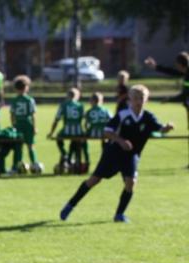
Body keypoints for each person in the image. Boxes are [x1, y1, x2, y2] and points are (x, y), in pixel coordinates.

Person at [60, 85, 174, 224]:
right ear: (130, 100)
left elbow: (160, 129)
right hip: (113, 153)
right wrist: (120, 141)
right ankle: (70, 205)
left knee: (131, 182)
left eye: (142, 98)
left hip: (131, 155)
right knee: (94, 180)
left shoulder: (148, 117)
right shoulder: (122, 115)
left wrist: (166, 128)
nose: (139, 101)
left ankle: (119, 214)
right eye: (136, 98)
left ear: (146, 100)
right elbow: (107, 131)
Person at [49, 87, 85, 173]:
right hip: (78, 131)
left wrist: (51, 132)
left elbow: (57, 119)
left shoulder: (63, 105)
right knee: (75, 143)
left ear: (68, 96)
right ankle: (73, 162)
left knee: (58, 139)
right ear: (77, 96)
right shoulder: (80, 105)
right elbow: (85, 119)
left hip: (66, 130)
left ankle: (64, 154)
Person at [8, 75, 38, 172]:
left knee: (18, 147)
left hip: (18, 125)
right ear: (26, 87)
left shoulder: (14, 100)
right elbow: (33, 115)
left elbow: (12, 115)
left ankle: (16, 166)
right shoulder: (30, 100)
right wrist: (35, 127)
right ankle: (35, 163)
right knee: (31, 146)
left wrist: (13, 125)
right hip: (28, 124)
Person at [83, 92, 111, 169]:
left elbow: (86, 124)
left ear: (92, 101)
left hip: (92, 133)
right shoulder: (106, 110)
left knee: (83, 141)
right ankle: (105, 161)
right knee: (106, 143)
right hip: (104, 133)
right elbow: (111, 121)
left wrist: (87, 130)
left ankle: (87, 160)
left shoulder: (89, 111)